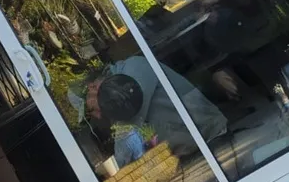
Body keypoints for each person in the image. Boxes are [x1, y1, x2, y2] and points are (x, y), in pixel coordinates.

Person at [71, 55, 228, 166]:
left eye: (91, 109)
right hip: (192, 152)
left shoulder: (131, 73)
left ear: (92, 88)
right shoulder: (115, 102)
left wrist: (115, 175)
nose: (98, 116)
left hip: (212, 139)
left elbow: (127, 136)